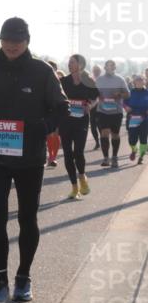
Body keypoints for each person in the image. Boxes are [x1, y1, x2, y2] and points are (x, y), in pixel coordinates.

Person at [0, 18, 67, 303]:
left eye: (17, 40)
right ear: (0, 40)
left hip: (29, 159)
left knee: (26, 217)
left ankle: (23, 277)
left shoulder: (42, 71)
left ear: (27, 41)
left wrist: (42, 127)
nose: (11, 45)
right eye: (7, 39)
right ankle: (0, 282)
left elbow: (62, 108)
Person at [59, 54, 99, 199]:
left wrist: (90, 105)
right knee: (68, 154)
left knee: (78, 152)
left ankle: (82, 177)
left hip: (81, 120)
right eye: (69, 62)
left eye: (72, 62)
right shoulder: (63, 81)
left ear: (80, 64)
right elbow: (57, 98)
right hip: (65, 121)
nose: (69, 64)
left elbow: (96, 98)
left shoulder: (88, 81)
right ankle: (74, 187)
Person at [95, 60, 131, 168]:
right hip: (102, 111)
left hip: (116, 111)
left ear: (115, 68)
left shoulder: (120, 79)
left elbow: (127, 94)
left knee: (115, 134)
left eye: (112, 66)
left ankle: (114, 157)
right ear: (105, 68)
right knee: (104, 133)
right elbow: (93, 92)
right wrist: (98, 95)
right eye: (108, 66)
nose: (110, 68)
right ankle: (106, 158)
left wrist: (119, 94)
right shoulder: (99, 79)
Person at [124, 75, 148, 165]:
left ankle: (141, 157)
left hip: (144, 119)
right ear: (134, 82)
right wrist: (126, 107)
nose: (140, 82)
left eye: (141, 80)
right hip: (132, 118)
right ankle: (134, 150)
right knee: (132, 140)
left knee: (143, 138)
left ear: (144, 82)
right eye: (138, 80)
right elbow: (124, 102)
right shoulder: (130, 92)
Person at [45, 61, 64, 168]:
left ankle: (53, 157)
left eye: (53, 68)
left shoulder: (61, 81)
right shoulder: (41, 80)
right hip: (46, 111)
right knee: (48, 135)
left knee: (56, 134)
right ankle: (50, 155)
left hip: (58, 110)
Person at [89, 64, 103, 150]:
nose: (96, 71)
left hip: (100, 105)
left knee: (99, 125)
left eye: (97, 70)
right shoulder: (90, 79)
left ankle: (102, 140)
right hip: (91, 105)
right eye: (94, 70)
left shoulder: (103, 80)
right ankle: (97, 142)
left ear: (100, 71)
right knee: (93, 125)